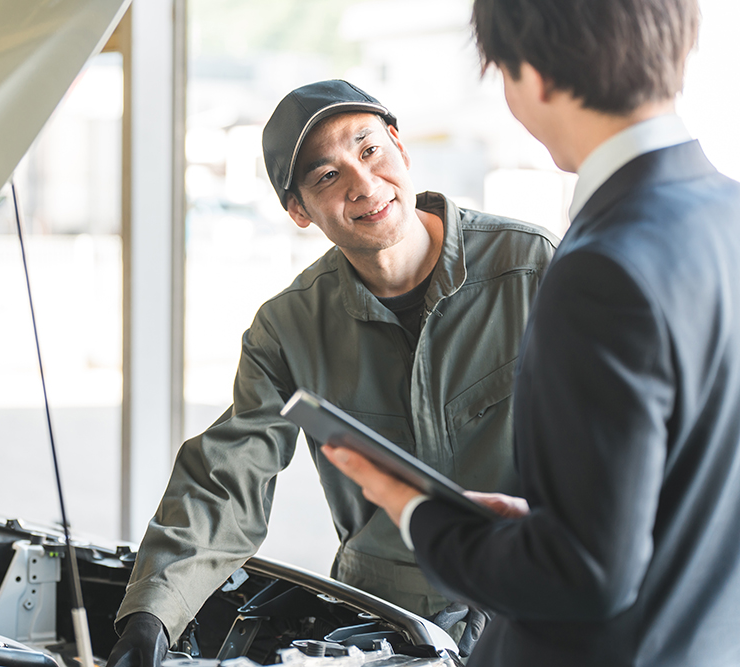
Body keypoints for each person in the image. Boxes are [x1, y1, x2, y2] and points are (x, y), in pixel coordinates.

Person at [325, 1, 740, 665]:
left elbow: (584, 576)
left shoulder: (604, 266)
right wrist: (549, 517)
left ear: (536, 76)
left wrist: (415, 509)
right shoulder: (725, 215)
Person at [108, 79, 557, 666]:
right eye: (327, 176)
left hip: (535, 610)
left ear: (399, 145)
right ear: (298, 210)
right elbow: (225, 483)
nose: (364, 185)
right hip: (388, 629)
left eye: (369, 151)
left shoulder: (535, 272)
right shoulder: (287, 330)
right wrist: (153, 615)